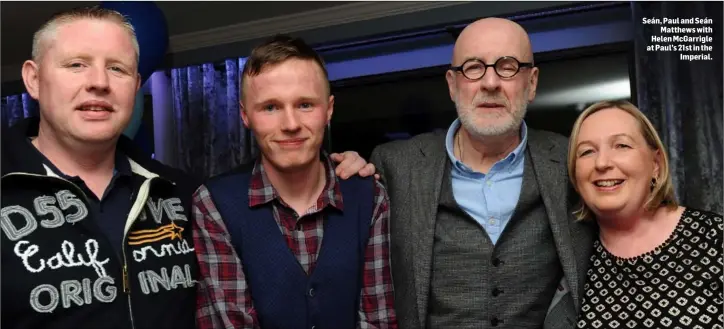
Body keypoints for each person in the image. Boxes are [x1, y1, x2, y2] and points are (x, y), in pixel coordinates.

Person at [367, 17, 596, 328]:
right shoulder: (394, 165)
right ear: (452, 83)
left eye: (508, 65)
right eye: (473, 67)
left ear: (531, 83)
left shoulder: (571, 161)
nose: (490, 83)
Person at [1, 6, 200, 329]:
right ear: (34, 79)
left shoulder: (183, 194)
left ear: (135, 85)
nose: (99, 82)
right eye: (77, 64)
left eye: (117, 69)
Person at [192, 35, 397, 329]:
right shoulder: (214, 204)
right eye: (270, 107)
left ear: (328, 110)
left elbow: (378, 320)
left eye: (304, 104)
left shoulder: (369, 196)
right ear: (245, 115)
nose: (290, 124)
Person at [567, 100, 723, 329]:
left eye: (621, 145)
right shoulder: (572, 257)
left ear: (656, 164)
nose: (601, 163)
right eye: (587, 152)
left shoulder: (716, 238)